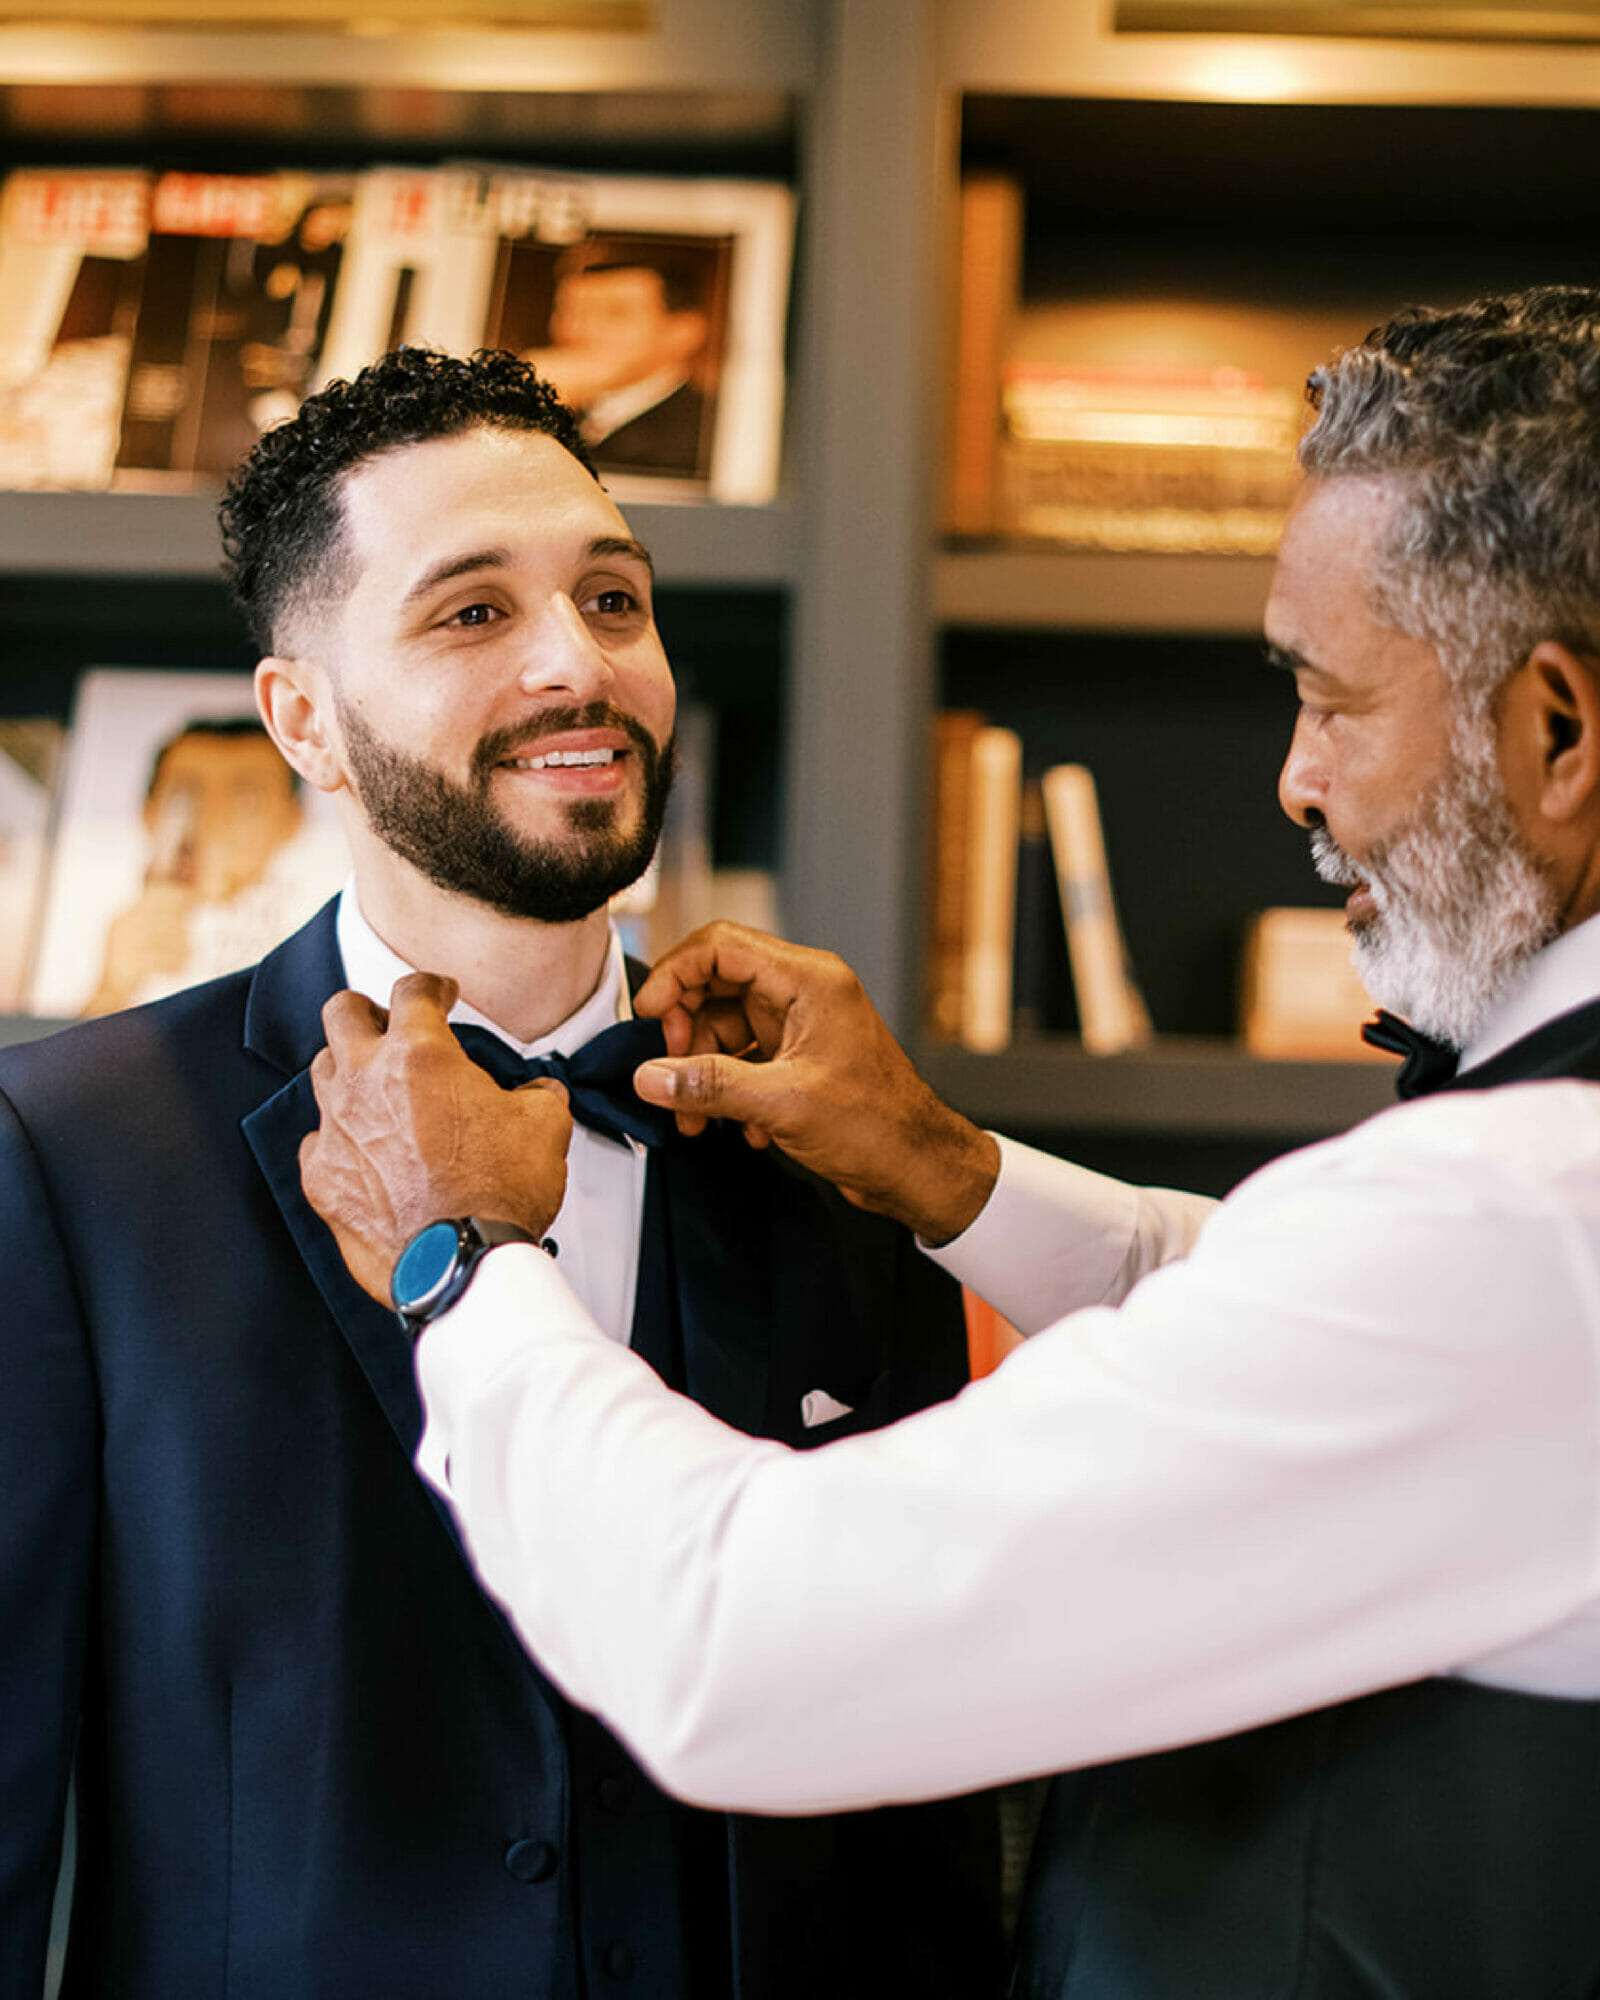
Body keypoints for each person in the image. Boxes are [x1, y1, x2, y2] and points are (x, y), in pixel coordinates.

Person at [302, 286, 1600, 2000]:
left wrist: (455, 1262)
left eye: (1329, 699)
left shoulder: (1522, 1221)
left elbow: (735, 1650)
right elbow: (1291, 1320)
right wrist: (953, 1171)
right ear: (298, 713)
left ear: (1557, 730)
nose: (1293, 780)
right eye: (470, 608)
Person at [0, 345, 1004, 1999]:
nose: (579, 667)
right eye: (473, 613)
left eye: (614, 600)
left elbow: (919, 1792)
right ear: (302, 717)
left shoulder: (834, 1136)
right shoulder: (70, 1156)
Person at [86, 715, 308, 1016]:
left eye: (248, 799)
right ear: (147, 811)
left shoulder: (314, 938)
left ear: (293, 820)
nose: (212, 817)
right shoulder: (96, 923)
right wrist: (111, 989)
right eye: (185, 797)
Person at [527, 247, 714, 479]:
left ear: (683, 333)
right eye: (567, 311)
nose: (575, 330)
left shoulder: (708, 438)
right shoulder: (558, 409)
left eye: (616, 314)